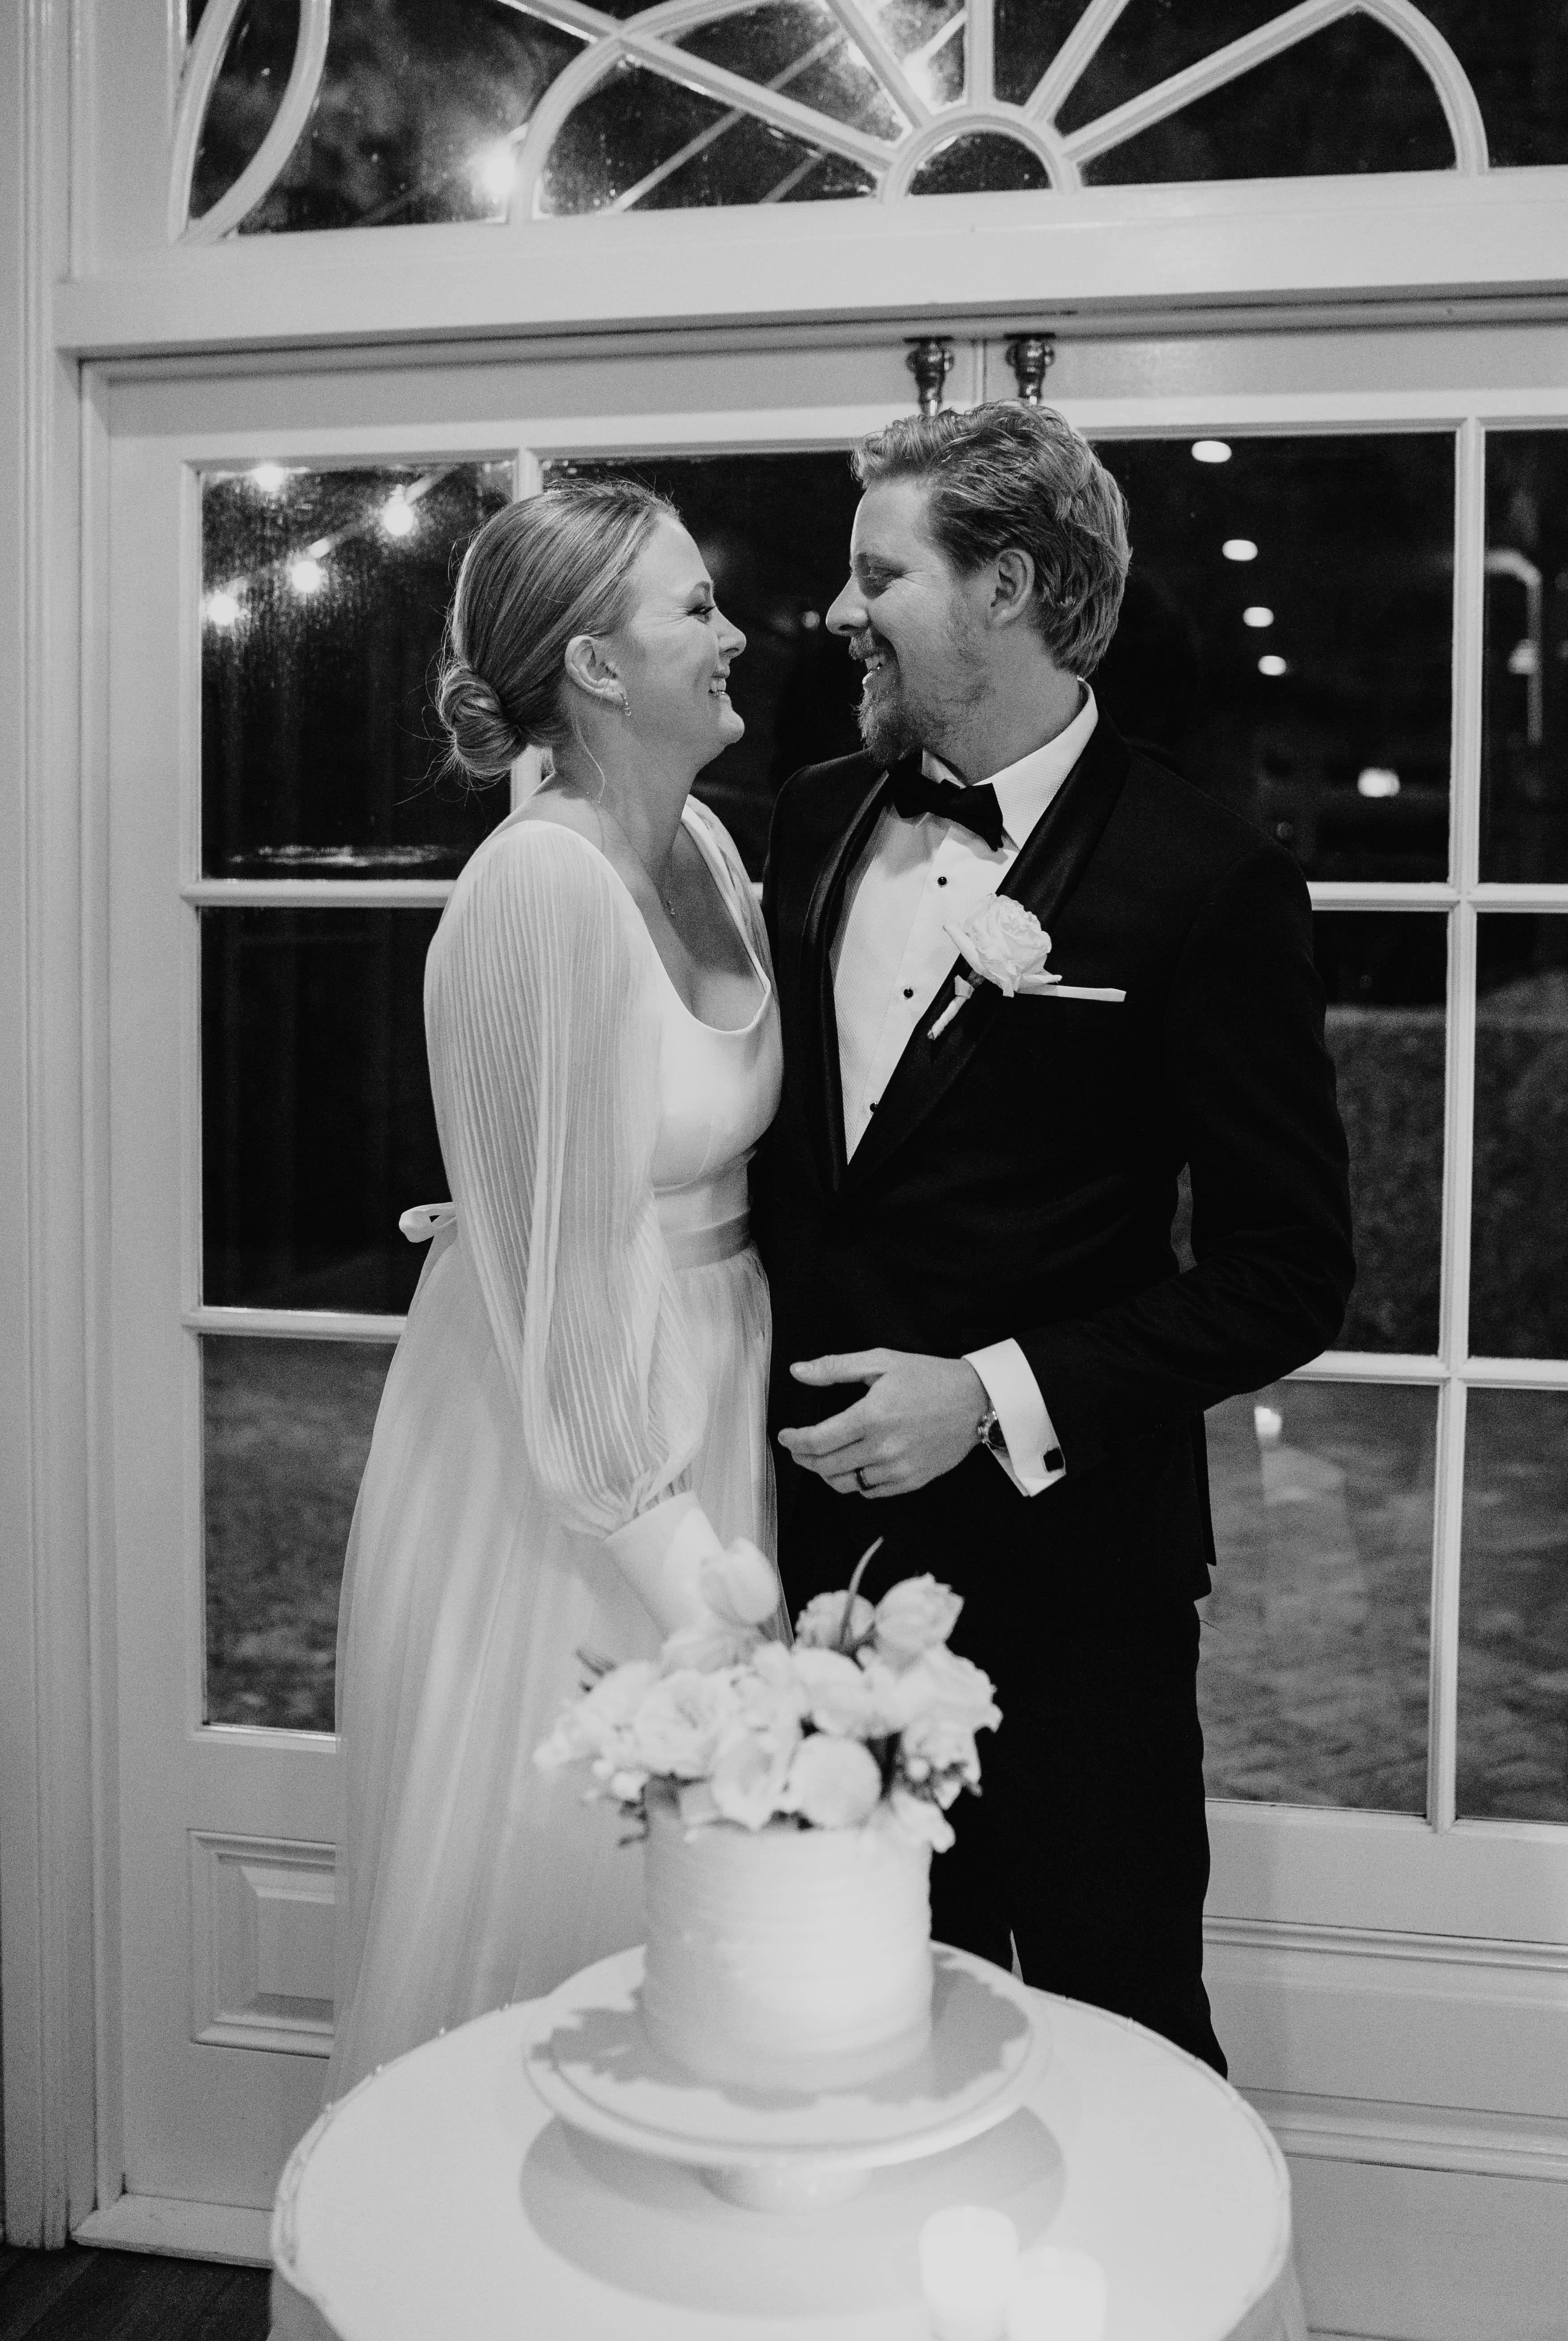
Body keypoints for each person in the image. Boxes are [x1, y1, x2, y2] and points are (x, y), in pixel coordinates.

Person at [751, 404, 1354, 2072]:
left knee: (1121, 2034)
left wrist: (992, 1391)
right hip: (824, 1575)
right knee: (854, 2026)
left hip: (1075, 1589)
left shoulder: (1206, 878)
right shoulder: (809, 824)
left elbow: (1286, 1272)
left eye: (881, 572)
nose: (842, 607)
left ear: (1004, 585)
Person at [325, 480, 784, 2102]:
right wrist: (685, 1572)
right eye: (692, 610)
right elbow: (556, 1266)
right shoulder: (537, 888)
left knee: (704, 1915)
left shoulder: (708, 847)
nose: (736, 635)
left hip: (708, 1384)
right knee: (562, 1882)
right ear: (594, 665)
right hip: (566, 1461)